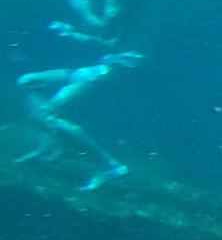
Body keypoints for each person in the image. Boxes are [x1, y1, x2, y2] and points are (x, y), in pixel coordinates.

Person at [14, 51, 143, 190]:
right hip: (79, 73)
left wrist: (49, 107)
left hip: (90, 77)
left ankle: (109, 165)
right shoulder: (103, 68)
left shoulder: (101, 76)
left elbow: (70, 92)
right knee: (27, 82)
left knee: (47, 117)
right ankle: (49, 147)